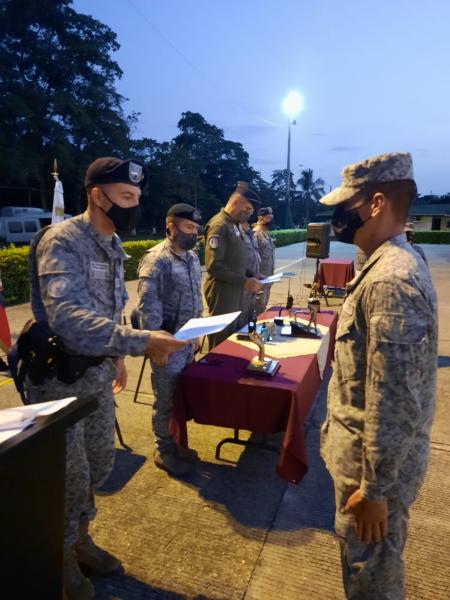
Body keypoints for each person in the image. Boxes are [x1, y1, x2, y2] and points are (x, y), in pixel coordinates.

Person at [25, 157, 187, 600]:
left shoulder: (112, 245)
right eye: (126, 197)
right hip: (59, 383)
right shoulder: (62, 241)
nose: (134, 206)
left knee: (98, 466)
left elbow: (110, 308)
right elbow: (67, 318)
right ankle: (57, 563)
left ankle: (80, 541)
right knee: (67, 478)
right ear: (98, 195)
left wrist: (117, 355)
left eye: (137, 198)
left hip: (96, 375)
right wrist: (139, 342)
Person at [319, 152, 437, 600]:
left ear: (376, 203)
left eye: (347, 204)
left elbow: (395, 399)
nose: (337, 217)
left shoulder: (390, 280)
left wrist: (375, 490)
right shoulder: (390, 262)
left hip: (372, 477)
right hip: (369, 467)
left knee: (372, 577)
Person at [135, 203, 203, 475]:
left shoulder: (192, 258)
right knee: (164, 399)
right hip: (166, 344)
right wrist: (156, 346)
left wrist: (198, 333)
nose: (194, 234)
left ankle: (177, 441)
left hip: (187, 342)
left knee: (180, 396)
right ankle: (163, 448)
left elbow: (196, 297)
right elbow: (147, 308)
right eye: (188, 228)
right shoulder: (156, 260)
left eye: (196, 229)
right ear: (170, 227)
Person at [204, 181, 263, 348]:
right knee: (222, 339)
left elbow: (236, 259)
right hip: (223, 294)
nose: (249, 215)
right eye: (247, 210)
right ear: (236, 202)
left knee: (235, 336)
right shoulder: (219, 226)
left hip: (235, 291)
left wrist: (252, 274)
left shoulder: (233, 225)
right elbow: (214, 266)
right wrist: (245, 281)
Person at [237, 216, 261, 328]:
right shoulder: (238, 234)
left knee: (250, 314)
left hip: (253, 280)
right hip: (242, 283)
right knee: (240, 318)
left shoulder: (251, 234)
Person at [253, 207, 276, 315]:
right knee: (257, 306)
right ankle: (252, 329)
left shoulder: (266, 233)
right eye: (268, 218)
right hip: (259, 279)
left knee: (262, 306)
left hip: (268, 278)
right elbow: (252, 259)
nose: (270, 220)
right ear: (261, 218)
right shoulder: (256, 234)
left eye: (271, 217)